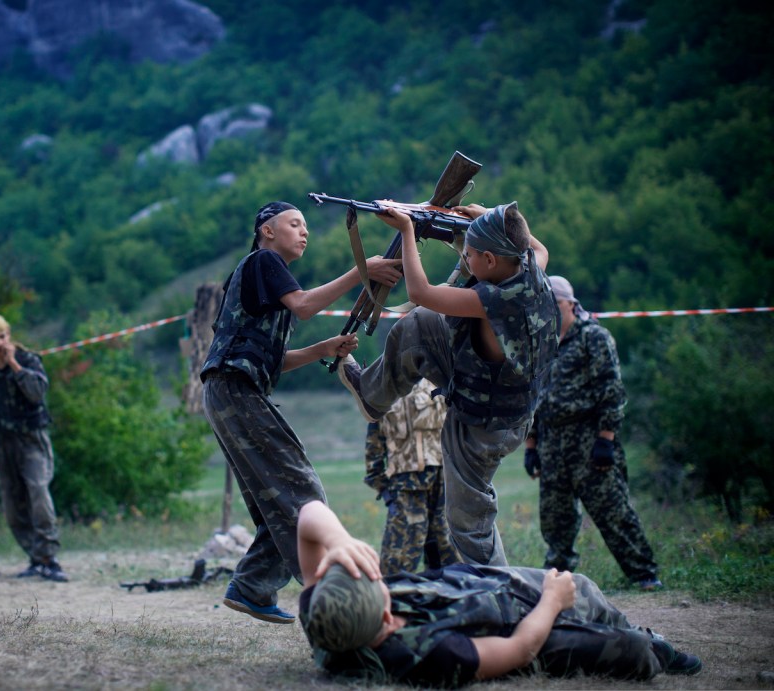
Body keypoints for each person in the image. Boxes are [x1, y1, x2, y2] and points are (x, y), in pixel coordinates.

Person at [200, 200, 403, 624]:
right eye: (294, 224)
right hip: (234, 391)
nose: (304, 232)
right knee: (303, 492)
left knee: (278, 502)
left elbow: (272, 357)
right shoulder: (265, 261)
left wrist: (322, 350)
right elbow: (306, 306)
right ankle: (336, 599)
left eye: (306, 226)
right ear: (267, 231)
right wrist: (363, 271)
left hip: (230, 390)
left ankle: (253, 585)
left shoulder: (263, 276)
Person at [338, 202, 560, 566]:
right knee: (421, 324)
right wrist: (488, 215)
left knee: (467, 524)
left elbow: (422, 292)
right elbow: (537, 247)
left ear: (490, 260)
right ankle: (373, 395)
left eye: (469, 254)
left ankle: (501, 600)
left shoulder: (500, 299)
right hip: (500, 399)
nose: (465, 259)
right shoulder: (530, 269)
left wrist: (408, 231)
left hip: (482, 421)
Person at [296, 499, 702, 686]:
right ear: (386, 619)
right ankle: (653, 645)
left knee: (586, 588)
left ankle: (621, 622)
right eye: (380, 586)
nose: (380, 578)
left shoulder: (326, 611)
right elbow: (521, 649)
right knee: (631, 650)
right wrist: (552, 601)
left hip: (482, 587)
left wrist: (338, 541)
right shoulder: (432, 657)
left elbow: (308, 513)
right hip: (519, 627)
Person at [524, 276, 662, 590]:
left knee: (612, 510)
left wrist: (606, 439)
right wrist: (531, 446)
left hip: (589, 438)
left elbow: (611, 390)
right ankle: (556, 581)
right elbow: (532, 397)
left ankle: (644, 574)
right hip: (551, 442)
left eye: (556, 303)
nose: (551, 310)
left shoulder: (593, 337)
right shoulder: (539, 343)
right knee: (555, 518)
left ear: (570, 303)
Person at [0, 314, 68, 583]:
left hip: (31, 438)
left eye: (2, 336)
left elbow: (38, 392)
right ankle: (35, 557)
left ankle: (49, 558)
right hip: (3, 440)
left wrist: (14, 365)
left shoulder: (28, 361)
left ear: (9, 335)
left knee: (38, 491)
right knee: (13, 504)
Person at [364, 378, 460, 574]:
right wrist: (379, 482)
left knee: (446, 542)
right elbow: (374, 438)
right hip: (405, 480)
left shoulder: (439, 378)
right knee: (402, 548)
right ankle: (394, 597)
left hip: (444, 477)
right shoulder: (386, 387)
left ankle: (453, 592)